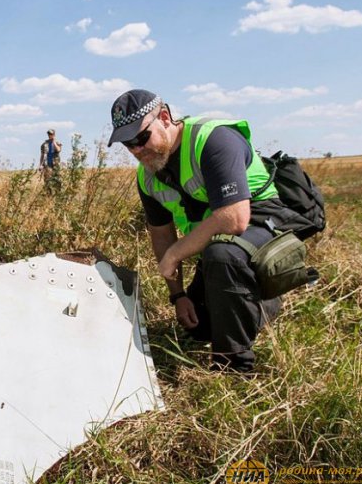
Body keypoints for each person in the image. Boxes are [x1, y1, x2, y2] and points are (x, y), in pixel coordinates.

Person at [108, 89, 295, 372]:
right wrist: (178, 296)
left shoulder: (212, 140)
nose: (136, 150)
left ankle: (233, 367)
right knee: (200, 326)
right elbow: (161, 234)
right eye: (127, 144)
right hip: (218, 244)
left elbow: (234, 219)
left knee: (223, 255)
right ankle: (259, 304)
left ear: (165, 118)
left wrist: (173, 255)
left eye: (141, 137)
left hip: (264, 225)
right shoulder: (148, 176)